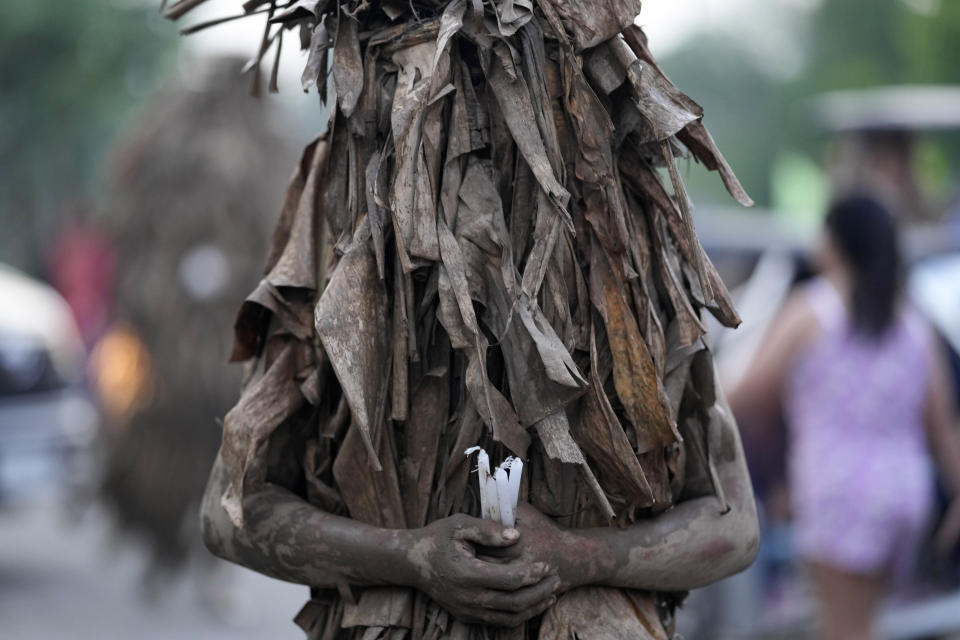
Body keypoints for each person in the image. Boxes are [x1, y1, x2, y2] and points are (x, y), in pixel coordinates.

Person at [164, 1, 761, 637]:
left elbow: (734, 524)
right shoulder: (339, 253)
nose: (467, 138)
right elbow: (229, 512)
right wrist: (410, 557)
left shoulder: (627, 264)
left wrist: (579, 559)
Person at [730, 194, 960, 640]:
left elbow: (746, 394)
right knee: (867, 623)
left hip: (837, 493)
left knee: (842, 630)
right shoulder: (911, 321)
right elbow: (942, 423)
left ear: (836, 241)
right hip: (902, 495)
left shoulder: (813, 309)